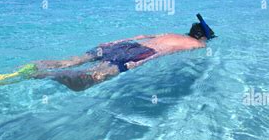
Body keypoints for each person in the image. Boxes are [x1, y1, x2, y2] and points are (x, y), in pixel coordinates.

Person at [32, 14, 216, 91]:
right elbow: (160, 53)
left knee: (74, 60)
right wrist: (137, 63)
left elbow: (142, 35)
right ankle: (48, 75)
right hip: (141, 53)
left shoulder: (171, 33)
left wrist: (113, 43)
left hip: (127, 44)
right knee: (91, 79)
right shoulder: (198, 45)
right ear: (203, 37)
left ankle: (42, 65)